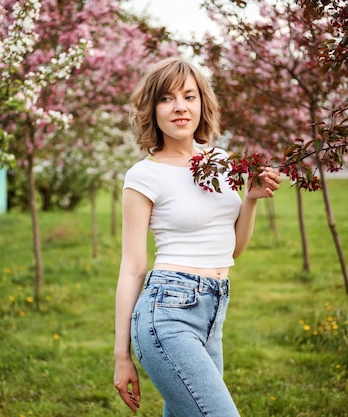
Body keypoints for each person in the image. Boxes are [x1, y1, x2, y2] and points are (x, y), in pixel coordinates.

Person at [113, 57, 282, 417]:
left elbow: (231, 248)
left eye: (189, 96)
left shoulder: (221, 162)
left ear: (202, 104)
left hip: (213, 311)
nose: (179, 107)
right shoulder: (143, 176)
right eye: (167, 99)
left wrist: (250, 200)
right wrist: (121, 356)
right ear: (153, 109)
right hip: (167, 314)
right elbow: (132, 267)